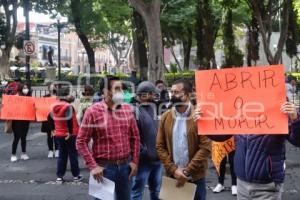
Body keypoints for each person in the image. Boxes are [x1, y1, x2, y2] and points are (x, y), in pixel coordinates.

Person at [194, 102, 300, 200]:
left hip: (267, 185)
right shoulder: (240, 107)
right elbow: (222, 136)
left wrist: (295, 119)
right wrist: (203, 123)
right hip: (242, 184)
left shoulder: (278, 105)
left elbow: (297, 140)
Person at [76, 76, 140, 200]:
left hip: (126, 167)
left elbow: (135, 137)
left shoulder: (127, 109)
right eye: (117, 88)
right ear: (105, 91)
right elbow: (81, 141)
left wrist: (134, 161)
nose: (121, 92)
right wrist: (93, 166)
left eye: (121, 88)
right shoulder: (93, 112)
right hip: (104, 169)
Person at [156, 79, 211, 200]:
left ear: (187, 95)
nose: (172, 95)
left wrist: (187, 171)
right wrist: (174, 170)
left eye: (176, 92)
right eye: (172, 92)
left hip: (195, 178)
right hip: (172, 177)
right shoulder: (166, 116)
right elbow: (160, 146)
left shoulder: (199, 115)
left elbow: (206, 147)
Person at [131, 81, 162, 200]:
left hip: (157, 160)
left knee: (156, 190)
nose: (155, 96)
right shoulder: (134, 111)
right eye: (153, 94)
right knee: (137, 192)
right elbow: (132, 137)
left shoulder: (154, 108)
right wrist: (144, 152)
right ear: (145, 95)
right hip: (143, 161)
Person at [50, 86, 82, 183]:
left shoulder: (54, 106)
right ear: (66, 95)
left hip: (58, 134)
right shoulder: (68, 106)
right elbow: (69, 120)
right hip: (69, 134)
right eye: (70, 93)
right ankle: (76, 176)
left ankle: (59, 176)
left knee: (62, 155)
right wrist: (70, 132)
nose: (72, 95)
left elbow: (49, 118)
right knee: (73, 155)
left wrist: (52, 129)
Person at [11, 82, 31, 162]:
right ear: (20, 89)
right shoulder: (15, 97)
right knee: (17, 137)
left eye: (26, 88)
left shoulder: (28, 97)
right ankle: (13, 154)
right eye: (24, 88)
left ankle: (24, 153)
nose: (26, 90)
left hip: (26, 120)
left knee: (24, 137)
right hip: (16, 120)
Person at [41, 83, 58, 158]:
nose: (52, 89)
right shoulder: (45, 97)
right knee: (49, 135)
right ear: (48, 88)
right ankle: (50, 150)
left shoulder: (59, 97)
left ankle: (57, 150)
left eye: (53, 87)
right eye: (50, 87)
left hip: (57, 118)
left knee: (57, 135)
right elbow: (41, 107)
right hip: (48, 119)